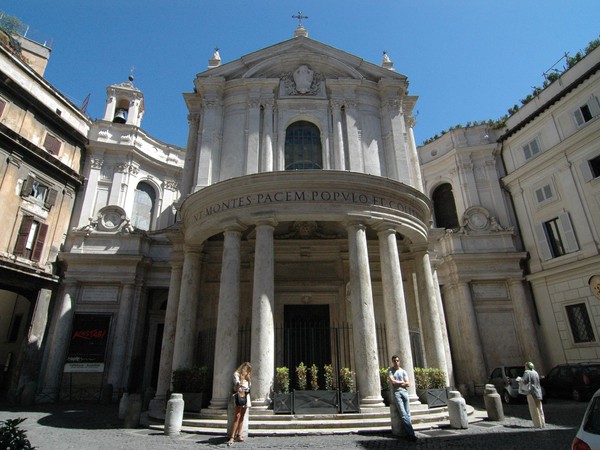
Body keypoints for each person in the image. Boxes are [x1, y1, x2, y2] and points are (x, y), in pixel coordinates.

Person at [388, 355, 418, 442]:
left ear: (399, 361)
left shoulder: (403, 371)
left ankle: (408, 433)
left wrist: (399, 383)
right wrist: (402, 382)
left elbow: (408, 384)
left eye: (397, 360)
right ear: (392, 362)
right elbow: (393, 381)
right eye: (394, 361)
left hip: (405, 392)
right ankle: (411, 434)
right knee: (403, 414)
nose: (396, 362)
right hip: (397, 393)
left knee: (407, 414)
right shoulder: (390, 370)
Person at [228, 362, 252, 446]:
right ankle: (232, 436)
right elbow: (236, 387)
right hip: (239, 395)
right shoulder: (236, 374)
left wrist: (249, 380)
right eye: (247, 370)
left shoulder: (247, 376)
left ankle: (239, 434)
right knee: (237, 416)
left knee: (242, 416)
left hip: (246, 395)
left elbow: (249, 387)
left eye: (249, 371)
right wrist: (241, 379)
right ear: (243, 368)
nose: (248, 372)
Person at [521, 361, 545, 428]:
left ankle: (537, 424)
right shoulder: (535, 372)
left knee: (533, 408)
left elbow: (524, 381)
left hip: (531, 392)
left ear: (527, 367)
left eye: (525, 366)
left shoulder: (527, 372)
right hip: (538, 392)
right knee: (540, 408)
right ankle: (542, 423)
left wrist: (520, 380)